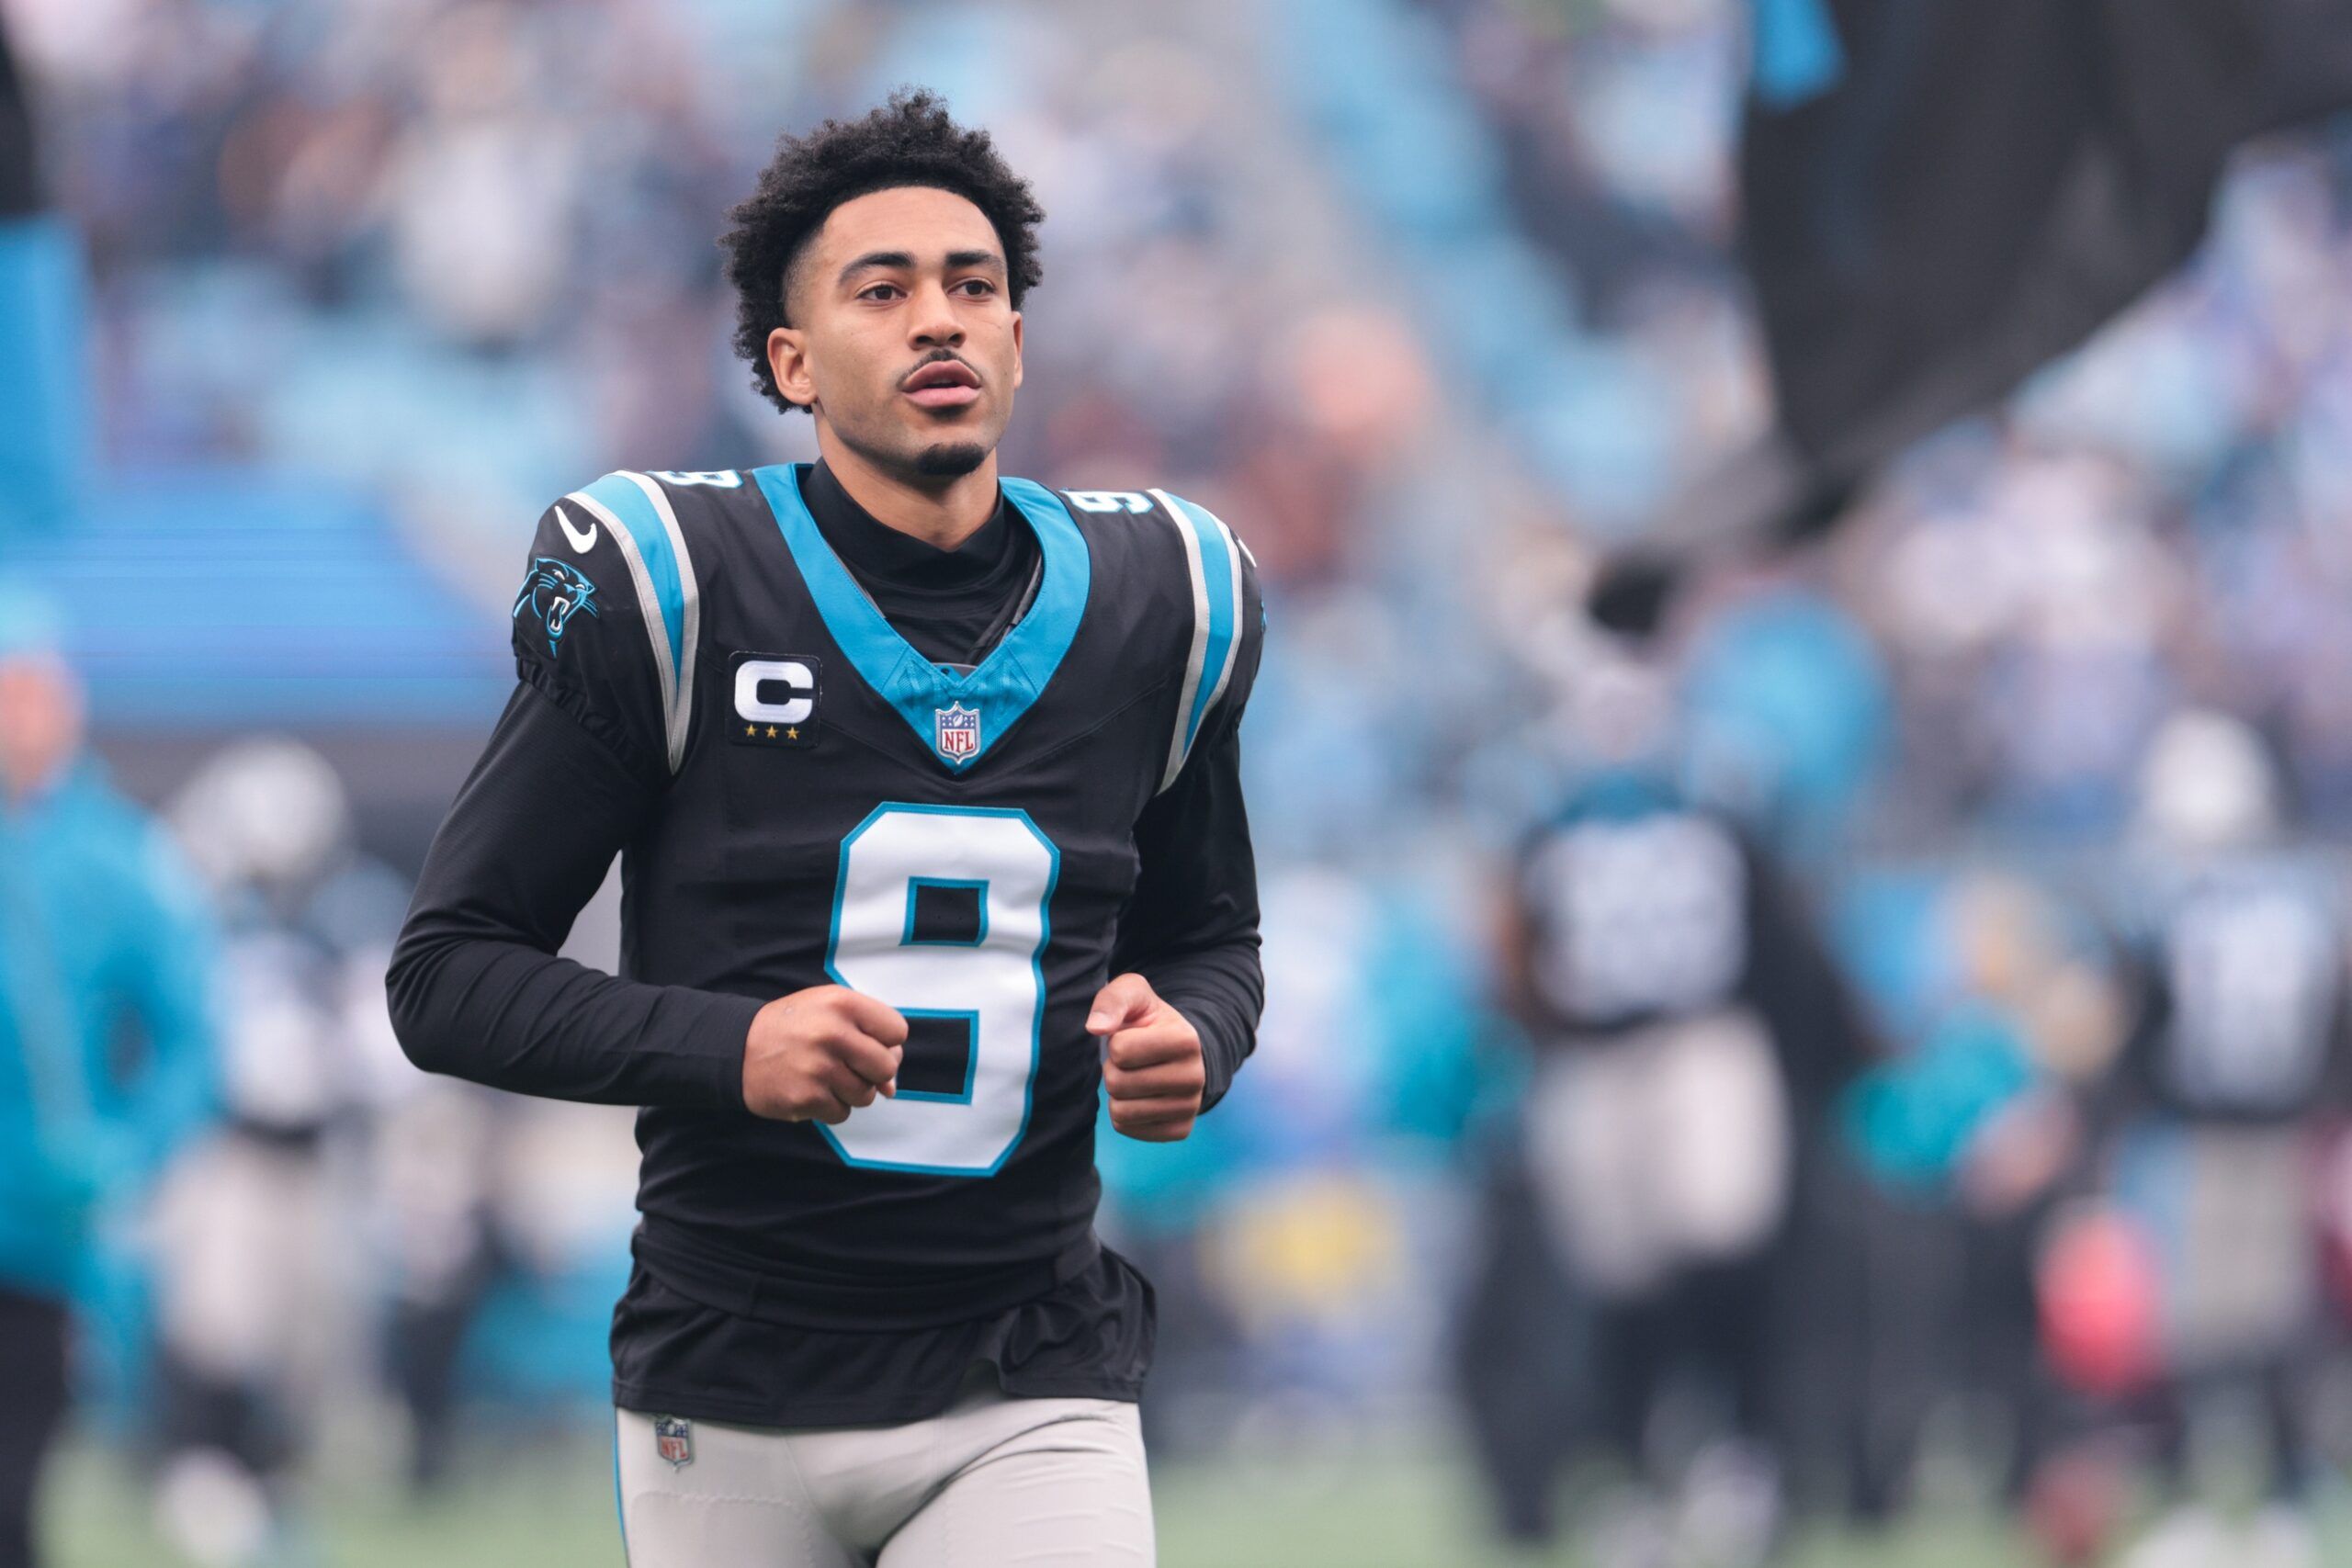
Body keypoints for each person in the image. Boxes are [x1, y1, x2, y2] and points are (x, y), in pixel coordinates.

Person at [387, 90, 1267, 1567]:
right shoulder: (673, 582)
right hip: (730, 1381)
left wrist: (1198, 1031)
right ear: (789, 359)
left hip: (1027, 1370)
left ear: (1017, 339)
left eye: (972, 286)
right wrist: (729, 1047)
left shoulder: (1161, 596)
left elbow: (1213, 941)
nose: (939, 319)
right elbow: (447, 972)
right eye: (883, 288)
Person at [0, 588, 219, 1568]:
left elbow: (192, 1035)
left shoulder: (118, 856)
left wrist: (127, 1153)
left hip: (37, 1233)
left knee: (13, 1485)